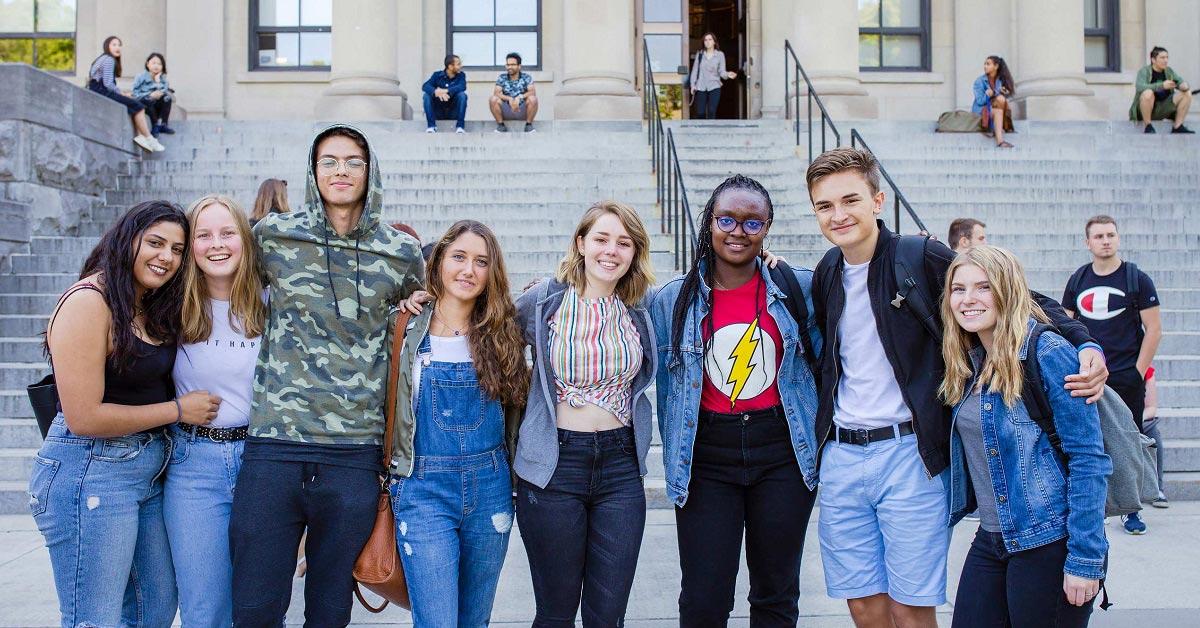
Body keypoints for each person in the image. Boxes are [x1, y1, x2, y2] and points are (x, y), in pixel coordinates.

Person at [805, 147, 1108, 628]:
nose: (839, 215)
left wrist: (1085, 340)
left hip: (910, 453)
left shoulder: (916, 256)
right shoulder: (826, 272)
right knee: (863, 606)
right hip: (843, 455)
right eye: (825, 206)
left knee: (909, 606)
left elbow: (1005, 291)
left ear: (878, 200)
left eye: (850, 200)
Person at [228, 124, 425, 627]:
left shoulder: (400, 253)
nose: (341, 171)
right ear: (313, 172)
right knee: (255, 603)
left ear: (370, 170)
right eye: (329, 161)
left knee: (330, 607)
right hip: (275, 444)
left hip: (354, 452)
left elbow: (422, 326)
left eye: (353, 161)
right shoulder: (273, 236)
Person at [28, 200, 221, 628]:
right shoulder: (89, 303)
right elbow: (84, 417)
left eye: (176, 248)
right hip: (90, 471)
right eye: (155, 243)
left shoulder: (146, 303)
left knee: (154, 607)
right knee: (93, 618)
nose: (166, 257)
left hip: (146, 474)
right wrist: (177, 410)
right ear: (125, 240)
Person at [649, 174, 822, 626]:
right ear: (709, 222)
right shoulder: (674, 299)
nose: (737, 232)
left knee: (775, 593)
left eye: (752, 223)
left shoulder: (798, 288)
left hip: (782, 452)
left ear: (767, 228)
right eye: (727, 219)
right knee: (705, 598)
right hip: (706, 456)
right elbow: (612, 302)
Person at [941, 245, 1110, 628]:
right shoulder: (969, 358)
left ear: (1007, 291)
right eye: (958, 288)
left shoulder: (1047, 352)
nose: (968, 300)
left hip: (1049, 538)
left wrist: (1085, 559)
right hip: (992, 535)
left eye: (983, 287)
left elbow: (1089, 459)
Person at [386, 220, 528, 626]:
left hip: (491, 491)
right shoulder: (403, 327)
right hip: (422, 490)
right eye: (459, 257)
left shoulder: (504, 332)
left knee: (475, 621)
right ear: (439, 262)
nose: (468, 270)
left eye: (481, 262)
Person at [165, 194, 265, 627]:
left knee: (260, 607)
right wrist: (174, 409)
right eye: (203, 235)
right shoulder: (169, 307)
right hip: (194, 465)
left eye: (227, 232)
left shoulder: (271, 300)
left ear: (244, 238)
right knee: (205, 609)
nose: (216, 244)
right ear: (190, 248)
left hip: (261, 463)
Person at [1062, 214, 1162, 534]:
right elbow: (1065, 326)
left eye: (1111, 235)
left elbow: (1154, 329)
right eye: (1099, 236)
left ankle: (1131, 509)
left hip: (1126, 374)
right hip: (1090, 376)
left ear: (1117, 238)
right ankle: (1101, 503)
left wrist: (1137, 371)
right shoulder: (1078, 280)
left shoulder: (1136, 279)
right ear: (1087, 242)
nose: (1106, 241)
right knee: (1094, 442)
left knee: (1129, 442)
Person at [88, 36, 163, 152]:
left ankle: (141, 137)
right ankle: (149, 139)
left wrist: (121, 93)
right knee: (139, 107)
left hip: (99, 89)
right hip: (101, 91)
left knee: (134, 104)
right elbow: (108, 84)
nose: (117, 47)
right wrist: (121, 94)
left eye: (119, 45)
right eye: (114, 44)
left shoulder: (103, 59)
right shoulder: (108, 59)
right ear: (107, 46)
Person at [1131, 47, 1194, 133]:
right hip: (1145, 110)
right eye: (1162, 57)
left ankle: (1177, 126)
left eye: (1167, 57)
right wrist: (1161, 86)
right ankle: (1148, 126)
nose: (1166, 60)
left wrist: (1184, 86)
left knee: (1187, 93)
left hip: (1163, 108)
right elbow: (1140, 87)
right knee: (1147, 93)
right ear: (1153, 60)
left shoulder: (1169, 71)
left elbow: (1180, 82)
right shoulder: (1144, 71)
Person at [689, 32, 738, 120]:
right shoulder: (700, 54)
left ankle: (710, 130)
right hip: (701, 86)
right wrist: (692, 85)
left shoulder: (720, 55)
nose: (707, 42)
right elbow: (694, 71)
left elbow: (721, 72)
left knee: (712, 111)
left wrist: (728, 74)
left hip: (714, 86)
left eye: (710, 39)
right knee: (700, 113)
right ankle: (701, 132)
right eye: (705, 40)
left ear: (714, 42)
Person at [972, 55, 1015, 148]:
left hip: (995, 109)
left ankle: (998, 127)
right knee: (998, 105)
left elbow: (1000, 99)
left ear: (996, 66)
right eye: (985, 64)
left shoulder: (1000, 80)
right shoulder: (979, 81)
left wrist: (1003, 92)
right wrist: (987, 95)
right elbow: (979, 101)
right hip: (982, 111)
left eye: (988, 64)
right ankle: (1000, 141)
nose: (985, 66)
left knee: (1001, 99)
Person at [490, 52, 537, 133]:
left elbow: (532, 92)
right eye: (508, 65)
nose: (510, 67)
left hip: (522, 111)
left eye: (513, 64)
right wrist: (510, 99)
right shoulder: (502, 77)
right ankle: (501, 126)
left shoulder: (526, 77)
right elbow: (496, 93)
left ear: (519, 66)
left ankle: (528, 125)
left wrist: (519, 97)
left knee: (533, 99)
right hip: (507, 110)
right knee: (493, 99)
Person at [1143, 366, 1169, 508]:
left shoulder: (1147, 371)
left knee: (1154, 435)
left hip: (1139, 418)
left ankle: (1157, 489)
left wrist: (1134, 419)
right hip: (1115, 420)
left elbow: (1151, 408)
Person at [423, 54, 468, 134]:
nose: (461, 66)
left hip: (453, 112)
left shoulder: (461, 75)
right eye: (458, 64)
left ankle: (460, 127)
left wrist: (445, 91)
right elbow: (425, 86)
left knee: (462, 95)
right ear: (450, 66)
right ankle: (431, 126)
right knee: (426, 96)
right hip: (438, 112)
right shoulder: (437, 75)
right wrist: (436, 92)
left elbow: (462, 86)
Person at [132, 52, 174, 136]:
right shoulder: (140, 77)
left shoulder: (163, 80)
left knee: (167, 98)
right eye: (154, 63)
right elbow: (135, 94)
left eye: (159, 64)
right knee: (148, 99)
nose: (156, 66)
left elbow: (163, 93)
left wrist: (157, 81)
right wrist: (150, 95)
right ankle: (155, 125)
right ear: (148, 64)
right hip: (145, 104)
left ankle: (163, 124)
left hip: (157, 106)